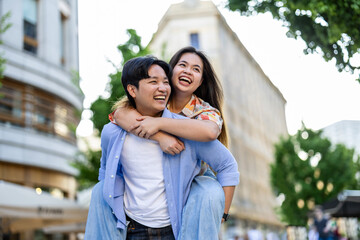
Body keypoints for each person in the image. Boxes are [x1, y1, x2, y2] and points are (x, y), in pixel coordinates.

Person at [84, 56, 239, 239]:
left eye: (165, 82)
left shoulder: (188, 129)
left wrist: (222, 214)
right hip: (132, 230)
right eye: (153, 82)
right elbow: (106, 172)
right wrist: (159, 136)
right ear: (132, 90)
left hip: (175, 230)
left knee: (209, 189)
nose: (162, 88)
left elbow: (227, 164)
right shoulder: (112, 132)